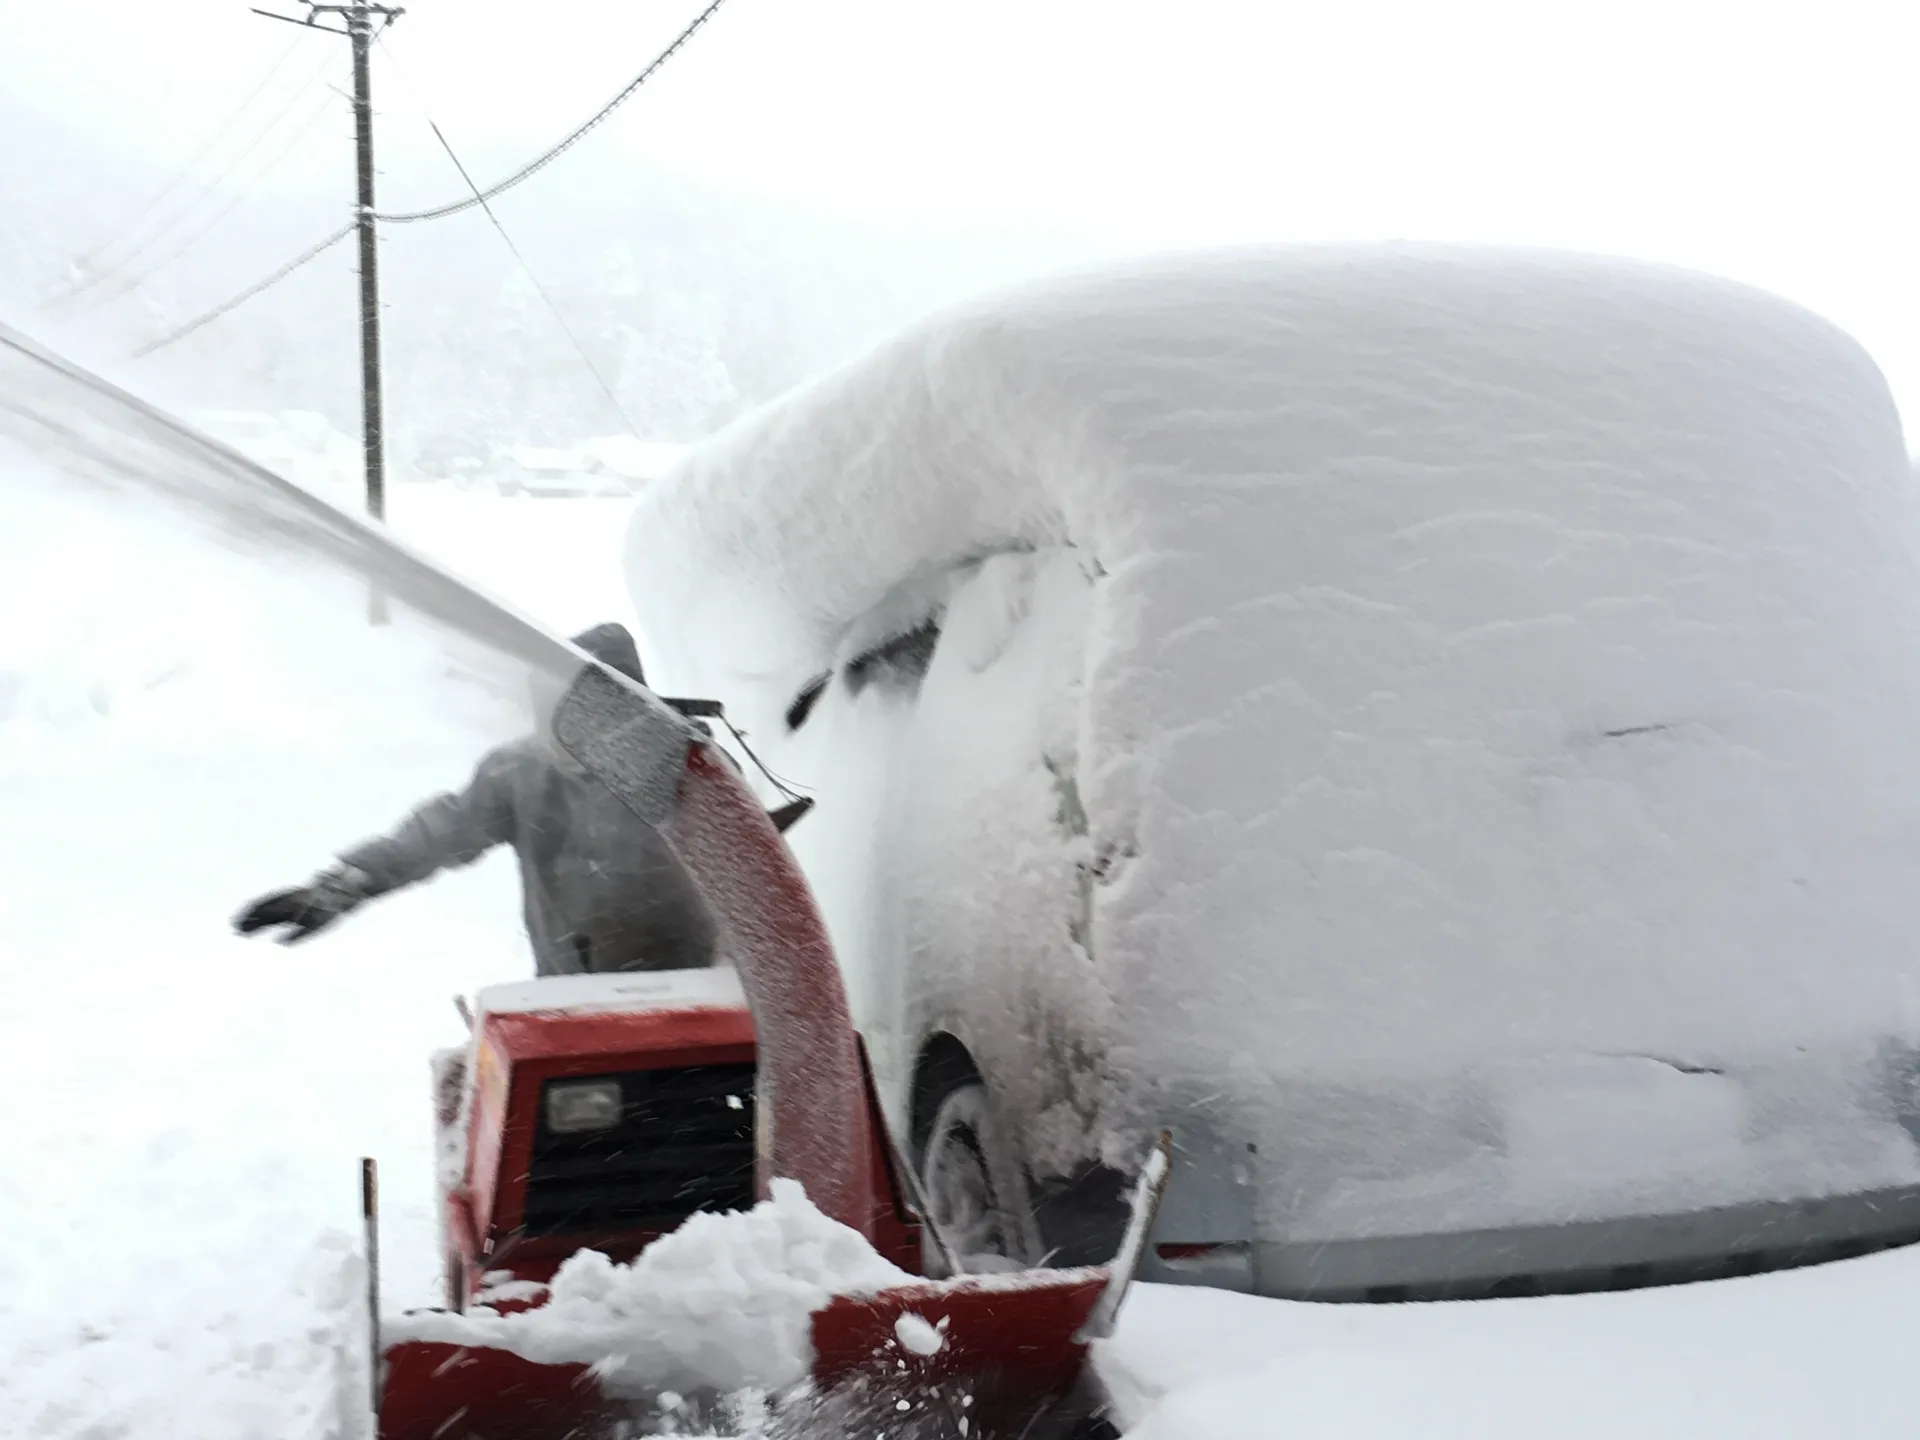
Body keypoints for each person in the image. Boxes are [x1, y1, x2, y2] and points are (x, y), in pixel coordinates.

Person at [234, 622, 722, 975]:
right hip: (572, 1000)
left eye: (582, 712)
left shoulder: (685, 770)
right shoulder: (520, 775)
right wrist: (343, 885)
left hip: (688, 995)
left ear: (628, 708)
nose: (560, 726)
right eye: (549, 709)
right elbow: (436, 834)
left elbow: (750, 868)